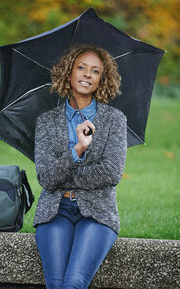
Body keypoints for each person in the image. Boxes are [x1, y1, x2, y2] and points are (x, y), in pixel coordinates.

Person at [34, 45, 127, 289]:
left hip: (97, 212)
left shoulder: (114, 120)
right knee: (55, 284)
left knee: (74, 283)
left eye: (95, 71)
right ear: (68, 74)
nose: (87, 74)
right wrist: (77, 151)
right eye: (81, 68)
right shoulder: (46, 121)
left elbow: (112, 172)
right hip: (55, 211)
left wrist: (63, 174)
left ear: (101, 80)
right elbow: (45, 178)